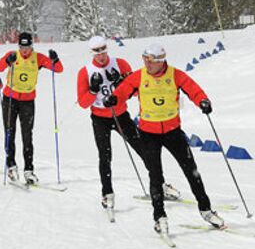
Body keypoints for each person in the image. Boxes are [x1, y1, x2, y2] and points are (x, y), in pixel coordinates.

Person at [104, 43, 225, 234]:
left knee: (191, 171)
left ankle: (206, 210)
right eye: (144, 60)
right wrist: (113, 99)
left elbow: (193, 88)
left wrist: (203, 100)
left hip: (172, 132)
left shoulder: (175, 75)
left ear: (161, 61)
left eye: (150, 61)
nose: (147, 64)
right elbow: (122, 91)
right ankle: (159, 217)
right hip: (148, 133)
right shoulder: (139, 76)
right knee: (155, 176)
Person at [76, 36, 180, 211]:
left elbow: (135, 91)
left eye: (103, 50)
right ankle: (107, 193)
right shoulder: (85, 71)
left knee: (143, 149)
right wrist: (93, 90)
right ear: (91, 53)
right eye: (97, 52)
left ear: (107, 49)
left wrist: (121, 83)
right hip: (100, 118)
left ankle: (160, 185)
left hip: (121, 115)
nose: (101, 56)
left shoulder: (120, 64)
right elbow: (83, 103)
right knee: (105, 156)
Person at [0, 32, 63, 184]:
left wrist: (55, 59)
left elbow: (58, 69)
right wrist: (7, 61)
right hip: (10, 98)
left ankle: (28, 170)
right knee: (9, 132)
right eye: (22, 47)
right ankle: (11, 165)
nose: (25, 51)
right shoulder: (12, 55)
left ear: (32, 46)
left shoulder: (38, 58)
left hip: (28, 101)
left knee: (27, 135)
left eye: (27, 47)